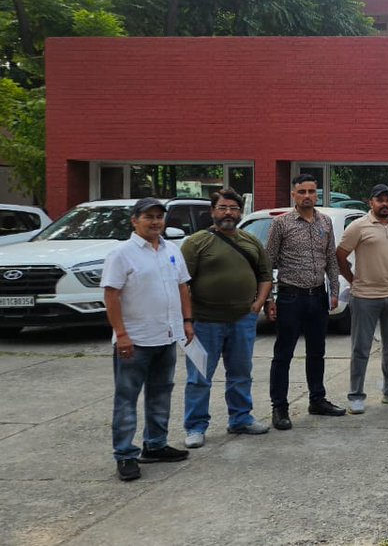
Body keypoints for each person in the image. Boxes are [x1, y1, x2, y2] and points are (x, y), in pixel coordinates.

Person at [102, 197, 194, 481]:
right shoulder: (122, 254)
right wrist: (122, 334)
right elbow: (111, 295)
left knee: (161, 393)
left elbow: (182, 288)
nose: (155, 222)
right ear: (135, 220)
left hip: (166, 336)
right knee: (127, 399)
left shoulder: (171, 250)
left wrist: (187, 322)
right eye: (149, 217)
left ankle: (155, 444)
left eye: (159, 217)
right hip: (135, 340)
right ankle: (125, 455)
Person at [180, 188, 273, 449]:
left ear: (240, 212)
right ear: (213, 211)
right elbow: (182, 283)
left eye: (233, 208)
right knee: (199, 376)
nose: (228, 213)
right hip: (205, 322)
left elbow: (266, 276)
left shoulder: (250, 241)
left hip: (242, 320)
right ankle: (196, 426)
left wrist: (258, 304)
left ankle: (240, 418)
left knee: (241, 373)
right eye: (222, 208)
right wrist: (187, 319)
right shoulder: (196, 242)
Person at [266, 174, 346, 429]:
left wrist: (334, 290)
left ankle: (317, 399)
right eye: (302, 192)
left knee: (317, 352)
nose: (308, 196)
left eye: (312, 191)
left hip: (317, 296)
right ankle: (279, 407)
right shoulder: (281, 224)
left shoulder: (325, 222)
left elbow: (331, 260)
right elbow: (268, 262)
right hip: (291, 296)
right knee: (283, 354)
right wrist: (269, 297)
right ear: (294, 194)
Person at [337, 183, 388, 415]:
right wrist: (353, 280)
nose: (384, 204)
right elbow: (340, 255)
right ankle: (356, 395)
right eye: (380, 200)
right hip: (365, 296)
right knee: (361, 347)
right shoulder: (358, 226)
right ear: (371, 202)